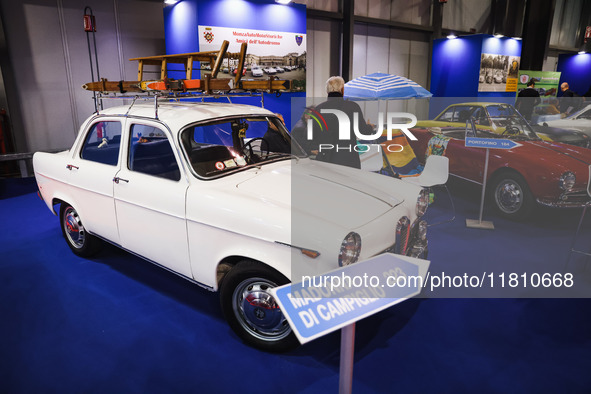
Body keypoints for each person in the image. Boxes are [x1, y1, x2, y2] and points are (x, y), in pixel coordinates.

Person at [310, 76, 374, 169]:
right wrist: (370, 127)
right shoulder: (352, 107)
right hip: (347, 159)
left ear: (327, 91)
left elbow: (312, 135)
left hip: (325, 159)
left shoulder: (318, 109)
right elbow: (363, 131)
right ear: (343, 89)